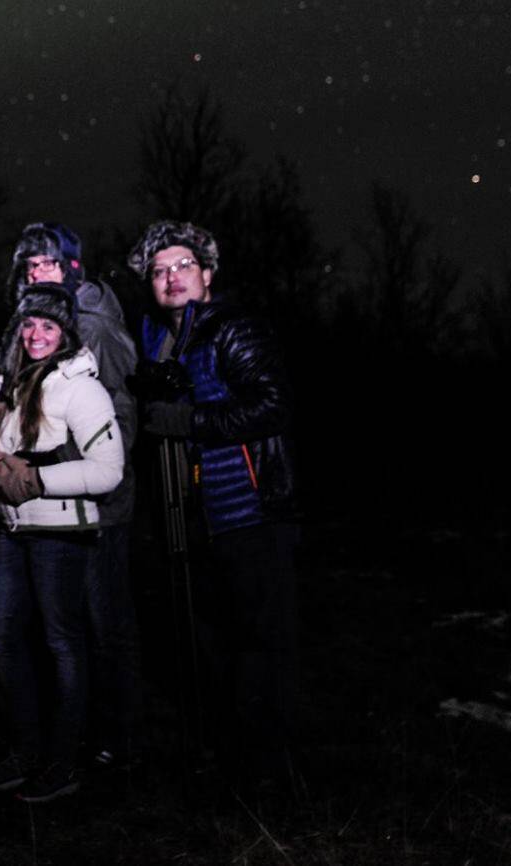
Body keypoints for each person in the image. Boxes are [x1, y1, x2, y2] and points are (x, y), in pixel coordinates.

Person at [127, 219, 301, 791]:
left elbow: (273, 406)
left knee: (259, 642)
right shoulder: (158, 336)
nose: (171, 277)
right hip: (194, 516)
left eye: (182, 266)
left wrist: (190, 421)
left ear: (206, 273)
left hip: (249, 511)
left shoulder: (233, 327)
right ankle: (226, 753)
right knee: (211, 641)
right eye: (159, 270)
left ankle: (269, 769)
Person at [0, 282, 126, 804]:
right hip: (13, 528)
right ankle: (26, 748)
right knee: (1, 635)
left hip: (61, 531)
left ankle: (63, 759)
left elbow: (109, 471)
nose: (37, 335)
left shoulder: (81, 386)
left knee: (62, 643)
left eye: (49, 326)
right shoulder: (3, 382)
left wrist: (37, 480)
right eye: (29, 325)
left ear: (65, 335)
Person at [9, 223, 141, 767]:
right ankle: (81, 727)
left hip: (96, 499)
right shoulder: (43, 322)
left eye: (49, 263)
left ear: (72, 266)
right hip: (56, 500)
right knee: (66, 619)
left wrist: (95, 478)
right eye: (30, 266)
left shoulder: (92, 321)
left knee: (102, 616)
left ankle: (118, 736)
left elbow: (123, 407)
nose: (39, 273)